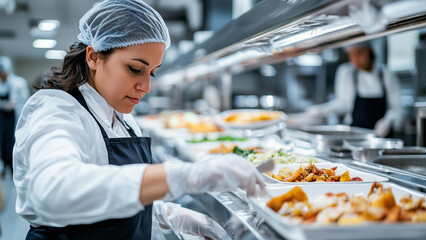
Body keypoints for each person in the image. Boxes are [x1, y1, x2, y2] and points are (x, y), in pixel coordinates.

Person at [12, 1, 264, 240]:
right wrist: (187, 175)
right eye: (135, 68)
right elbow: (54, 191)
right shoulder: (56, 110)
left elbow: (115, 203)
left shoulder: (124, 121)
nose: (146, 86)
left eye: (152, 72)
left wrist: (171, 216)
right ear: (93, 57)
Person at [305, 42, 402, 137]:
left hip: (381, 138)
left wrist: (388, 121)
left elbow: (397, 109)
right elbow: (343, 104)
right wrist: (319, 110)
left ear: (369, 51)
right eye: (351, 54)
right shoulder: (346, 72)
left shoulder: (386, 74)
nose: (355, 58)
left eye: (359, 52)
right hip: (354, 136)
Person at [0, 56, 30, 177]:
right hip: (2, 119)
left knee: (12, 144)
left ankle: (14, 169)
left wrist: (14, 104)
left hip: (15, 118)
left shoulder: (19, 83)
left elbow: (26, 101)